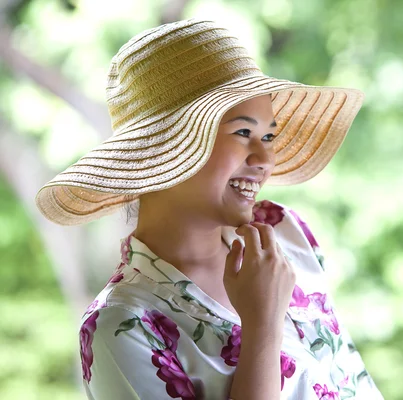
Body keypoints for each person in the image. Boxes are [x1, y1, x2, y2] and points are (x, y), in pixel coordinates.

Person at [35, 18, 383, 400]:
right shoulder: (122, 326)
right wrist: (262, 326)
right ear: (165, 149)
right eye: (243, 133)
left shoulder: (284, 232)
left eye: (268, 134)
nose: (266, 157)